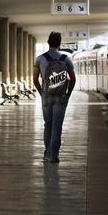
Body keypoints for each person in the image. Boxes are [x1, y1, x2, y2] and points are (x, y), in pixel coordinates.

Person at [34, 31, 76, 163]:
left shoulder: (40, 59)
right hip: (61, 96)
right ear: (59, 44)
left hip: (46, 95)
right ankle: (54, 155)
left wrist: (42, 93)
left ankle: (47, 153)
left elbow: (35, 79)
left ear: (48, 42)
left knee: (48, 125)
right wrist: (68, 94)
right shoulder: (66, 58)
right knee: (57, 126)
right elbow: (73, 79)